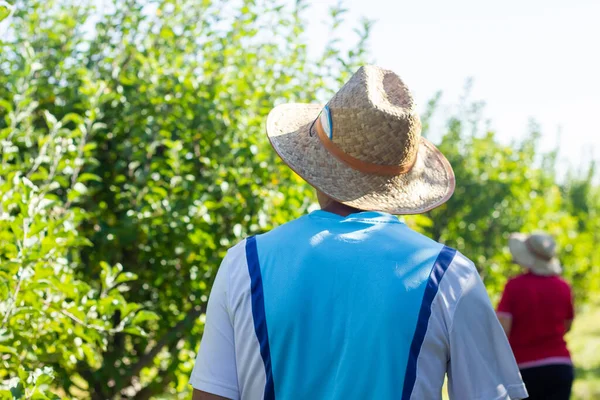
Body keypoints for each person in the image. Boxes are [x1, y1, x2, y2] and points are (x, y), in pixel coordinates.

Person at [190, 65, 528, 400]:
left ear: (316, 165)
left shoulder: (244, 264)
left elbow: (211, 395)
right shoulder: (449, 275)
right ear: (403, 181)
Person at [497, 233, 575, 400]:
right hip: (560, 366)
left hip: (525, 369)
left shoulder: (514, 287)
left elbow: (503, 329)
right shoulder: (563, 286)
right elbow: (567, 325)